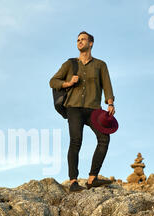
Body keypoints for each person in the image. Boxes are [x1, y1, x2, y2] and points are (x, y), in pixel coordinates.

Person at [49, 31, 115, 191]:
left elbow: (106, 84)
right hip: (74, 107)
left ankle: (92, 178)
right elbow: (53, 81)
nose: (79, 42)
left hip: (94, 109)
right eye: (78, 40)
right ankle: (73, 182)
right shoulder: (70, 64)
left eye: (83, 39)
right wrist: (68, 83)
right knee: (76, 141)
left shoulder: (100, 65)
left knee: (104, 138)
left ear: (91, 43)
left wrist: (110, 103)